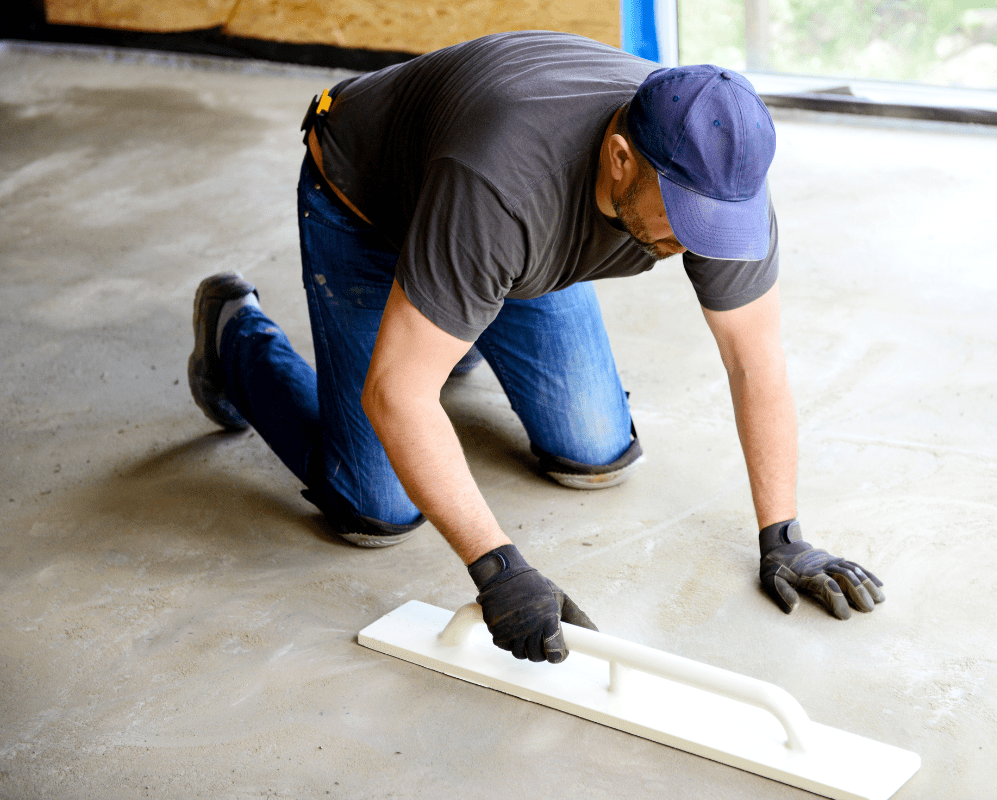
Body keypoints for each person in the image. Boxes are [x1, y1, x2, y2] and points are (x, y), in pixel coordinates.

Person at [187, 31, 884, 665]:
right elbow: (393, 394)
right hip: (370, 201)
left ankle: (454, 311)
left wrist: (784, 533)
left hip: (503, 241)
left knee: (596, 454)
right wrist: (499, 569)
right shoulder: (503, 184)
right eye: (685, 226)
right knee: (376, 507)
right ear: (619, 159)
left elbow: (753, 360)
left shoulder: (717, 177)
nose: (695, 248)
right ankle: (234, 335)